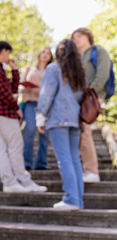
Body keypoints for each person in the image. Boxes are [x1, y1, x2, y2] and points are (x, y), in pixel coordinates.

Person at [0, 41, 47, 193]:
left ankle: (10, 182)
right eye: (8, 53)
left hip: (2, 112)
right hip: (3, 112)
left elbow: (12, 89)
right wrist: (16, 107)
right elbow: (2, 93)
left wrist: (14, 70)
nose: (8, 56)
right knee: (16, 145)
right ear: (3, 51)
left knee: (4, 148)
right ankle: (24, 181)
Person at [36, 39, 86, 210]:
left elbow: (46, 95)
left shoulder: (54, 68)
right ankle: (78, 199)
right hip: (75, 119)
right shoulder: (80, 72)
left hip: (58, 119)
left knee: (64, 159)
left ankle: (71, 199)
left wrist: (40, 117)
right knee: (74, 160)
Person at [72, 27, 111, 183]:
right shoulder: (76, 57)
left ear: (88, 36)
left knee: (85, 131)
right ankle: (87, 169)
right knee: (82, 133)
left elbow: (103, 73)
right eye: (74, 37)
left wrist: (92, 93)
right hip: (78, 99)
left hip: (91, 98)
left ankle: (91, 171)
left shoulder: (98, 51)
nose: (76, 39)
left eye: (79, 36)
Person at [20, 47, 53, 170]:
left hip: (46, 106)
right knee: (30, 131)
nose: (45, 55)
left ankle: (41, 163)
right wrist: (26, 89)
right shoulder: (30, 69)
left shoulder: (52, 70)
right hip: (31, 104)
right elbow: (21, 86)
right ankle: (26, 162)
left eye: (48, 53)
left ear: (50, 57)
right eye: (43, 52)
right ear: (39, 54)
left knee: (44, 134)